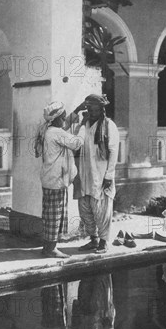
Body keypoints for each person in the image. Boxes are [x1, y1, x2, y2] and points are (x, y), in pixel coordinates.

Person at [68, 94, 119, 254]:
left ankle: (104, 242)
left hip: (100, 175)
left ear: (102, 110)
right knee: (85, 209)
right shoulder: (83, 125)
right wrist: (77, 110)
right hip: (83, 174)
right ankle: (93, 239)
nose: (92, 112)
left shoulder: (109, 125)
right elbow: (67, 131)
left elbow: (113, 151)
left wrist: (109, 175)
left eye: (96, 109)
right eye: (89, 108)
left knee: (102, 210)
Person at [35, 101, 87, 258]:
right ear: (57, 118)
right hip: (55, 180)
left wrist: (77, 109)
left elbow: (63, 128)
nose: (65, 119)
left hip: (50, 179)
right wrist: (83, 126)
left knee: (50, 214)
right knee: (54, 215)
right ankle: (50, 249)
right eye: (63, 116)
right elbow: (77, 143)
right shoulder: (56, 133)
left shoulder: (48, 130)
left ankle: (48, 247)